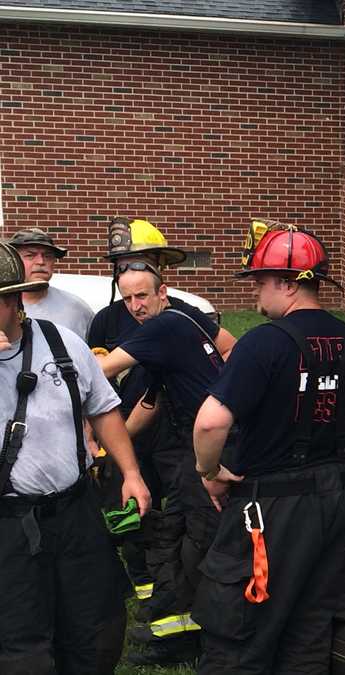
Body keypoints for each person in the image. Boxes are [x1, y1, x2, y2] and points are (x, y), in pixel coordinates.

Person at [193, 223, 345, 674]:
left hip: (273, 507)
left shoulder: (265, 342)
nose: (256, 293)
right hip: (339, 500)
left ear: (289, 284)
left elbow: (211, 421)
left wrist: (208, 471)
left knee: (241, 630)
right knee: (309, 628)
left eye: (261, 281)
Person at [0, 241, 151, 674]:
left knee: (94, 626)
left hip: (74, 512)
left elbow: (101, 408)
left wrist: (131, 472)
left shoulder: (60, 342)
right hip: (8, 526)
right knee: (20, 640)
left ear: (12, 300)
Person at [86, 218, 234, 653]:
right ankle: (175, 620)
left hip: (211, 447)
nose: (135, 306)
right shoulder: (168, 330)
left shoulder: (164, 327)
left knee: (201, 536)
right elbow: (148, 403)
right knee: (180, 529)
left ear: (163, 293)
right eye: (128, 297)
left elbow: (100, 370)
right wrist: (114, 451)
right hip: (201, 444)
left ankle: (197, 633)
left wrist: (44, 360)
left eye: (143, 296)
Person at [9, 228, 94, 339]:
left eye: (48, 256)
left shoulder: (77, 309)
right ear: (12, 261)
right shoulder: (4, 307)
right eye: (30, 255)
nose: (41, 262)